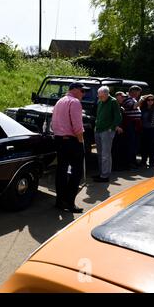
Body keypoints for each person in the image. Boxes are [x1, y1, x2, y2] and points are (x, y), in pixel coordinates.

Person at [52, 82, 88, 213]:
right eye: (82, 91)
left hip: (59, 139)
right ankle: (69, 202)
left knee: (61, 171)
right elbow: (77, 126)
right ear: (75, 90)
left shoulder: (60, 101)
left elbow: (53, 123)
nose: (84, 94)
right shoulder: (75, 102)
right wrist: (81, 142)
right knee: (76, 172)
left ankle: (60, 201)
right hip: (71, 141)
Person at [93, 86, 122, 182]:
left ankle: (105, 176)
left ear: (107, 94)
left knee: (106, 154)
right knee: (100, 153)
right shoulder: (100, 101)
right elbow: (98, 114)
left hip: (107, 131)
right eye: (99, 96)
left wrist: (111, 128)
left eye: (102, 96)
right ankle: (101, 173)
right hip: (98, 130)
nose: (100, 98)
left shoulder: (113, 101)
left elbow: (118, 117)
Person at [121, 85, 143, 170]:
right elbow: (133, 106)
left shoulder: (133, 99)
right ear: (132, 92)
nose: (138, 94)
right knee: (131, 144)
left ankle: (133, 161)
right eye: (136, 92)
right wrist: (141, 100)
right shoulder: (127, 99)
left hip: (135, 125)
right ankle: (129, 163)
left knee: (135, 144)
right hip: (130, 125)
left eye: (138, 93)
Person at [140, 94, 154, 168]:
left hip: (153, 129)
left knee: (152, 146)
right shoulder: (143, 108)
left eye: (152, 100)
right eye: (148, 100)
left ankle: (152, 163)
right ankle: (143, 162)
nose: (150, 101)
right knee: (144, 146)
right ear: (146, 101)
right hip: (144, 129)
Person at [112, 91, 127, 170]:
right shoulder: (113, 105)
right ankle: (114, 166)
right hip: (114, 130)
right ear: (117, 96)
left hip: (120, 130)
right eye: (122, 96)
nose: (123, 98)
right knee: (114, 149)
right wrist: (116, 126)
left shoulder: (121, 106)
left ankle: (118, 165)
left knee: (119, 148)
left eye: (124, 97)